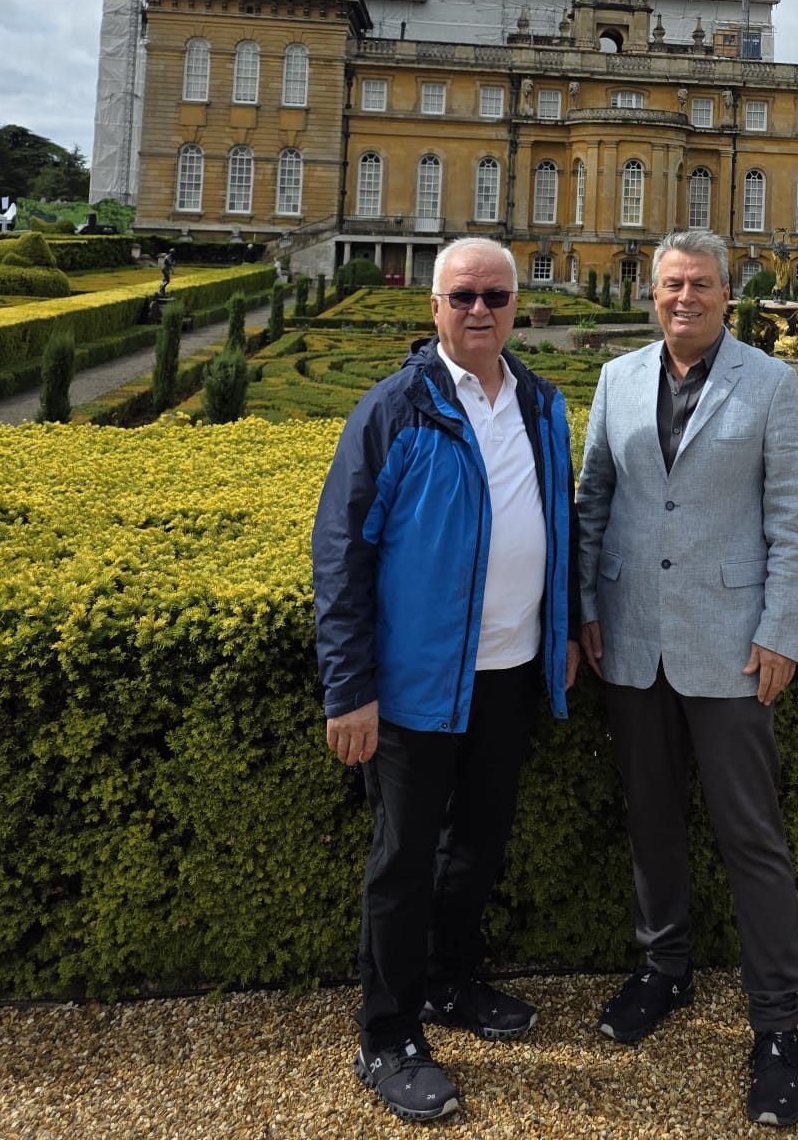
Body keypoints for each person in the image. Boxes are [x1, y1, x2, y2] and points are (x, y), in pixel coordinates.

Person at [313, 237, 579, 1124]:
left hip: (508, 672)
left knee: (480, 843)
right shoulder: (397, 409)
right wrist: (348, 687)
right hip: (420, 680)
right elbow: (341, 553)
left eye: (494, 297)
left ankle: (451, 982)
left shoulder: (542, 404)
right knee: (402, 862)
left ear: (515, 305)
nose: (478, 311)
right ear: (433, 307)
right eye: (461, 296)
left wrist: (566, 632)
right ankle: (386, 1032)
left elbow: (563, 525)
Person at [577, 228, 798, 1128]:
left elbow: (792, 523)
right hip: (633, 639)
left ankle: (777, 1026)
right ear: (653, 293)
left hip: (729, 644)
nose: (686, 298)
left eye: (702, 285)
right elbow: (593, 501)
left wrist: (780, 632)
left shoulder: (770, 383)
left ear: (728, 292)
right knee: (651, 820)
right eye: (672, 284)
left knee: (751, 836)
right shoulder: (617, 380)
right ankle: (664, 969)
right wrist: (587, 610)